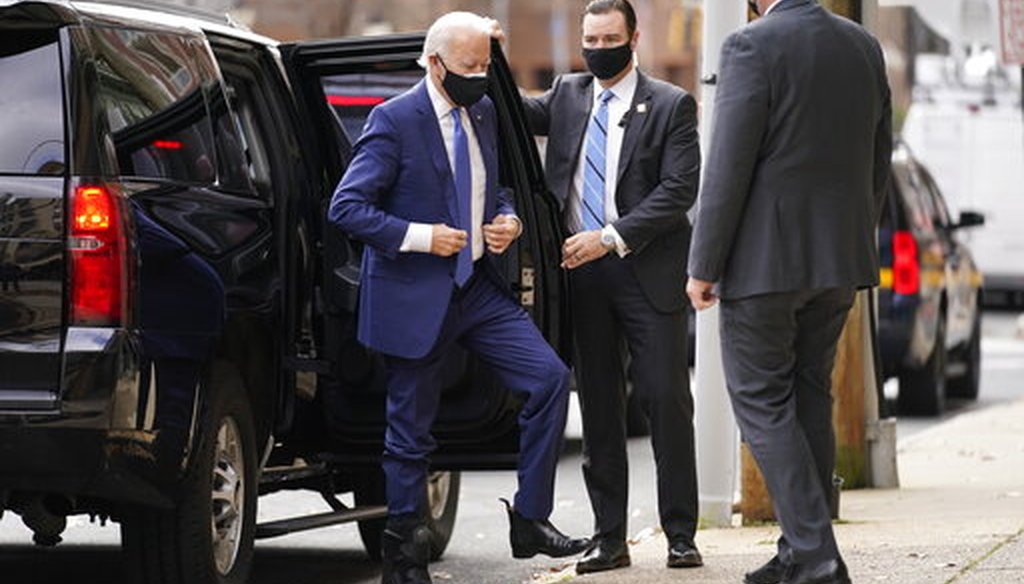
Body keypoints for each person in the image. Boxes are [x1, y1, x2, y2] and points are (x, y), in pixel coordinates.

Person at [328, 12, 589, 584]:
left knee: (548, 379)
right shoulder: (393, 121)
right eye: (470, 67)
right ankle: (404, 559)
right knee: (409, 435)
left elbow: (492, 186)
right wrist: (423, 237)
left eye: (485, 65)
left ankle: (530, 518)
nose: (480, 75)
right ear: (433, 62)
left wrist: (508, 220)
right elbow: (346, 208)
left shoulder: (485, 110)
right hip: (415, 295)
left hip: (477, 290)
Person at [686, 1, 892, 583]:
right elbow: (880, 156)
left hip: (763, 264)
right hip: (836, 262)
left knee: (761, 404)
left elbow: (728, 164)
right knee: (807, 400)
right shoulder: (861, 46)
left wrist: (702, 264)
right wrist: (854, 236)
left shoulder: (751, 46)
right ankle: (798, 551)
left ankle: (818, 557)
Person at [516, 0, 702, 574]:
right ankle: (609, 538)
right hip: (581, 274)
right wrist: (488, 59)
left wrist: (611, 236)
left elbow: (677, 192)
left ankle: (679, 534)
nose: (598, 48)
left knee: (665, 401)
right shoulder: (569, 95)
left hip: (644, 269)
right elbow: (513, 113)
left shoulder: (672, 105)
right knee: (597, 408)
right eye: (590, 39)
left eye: (609, 38)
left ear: (634, 37)